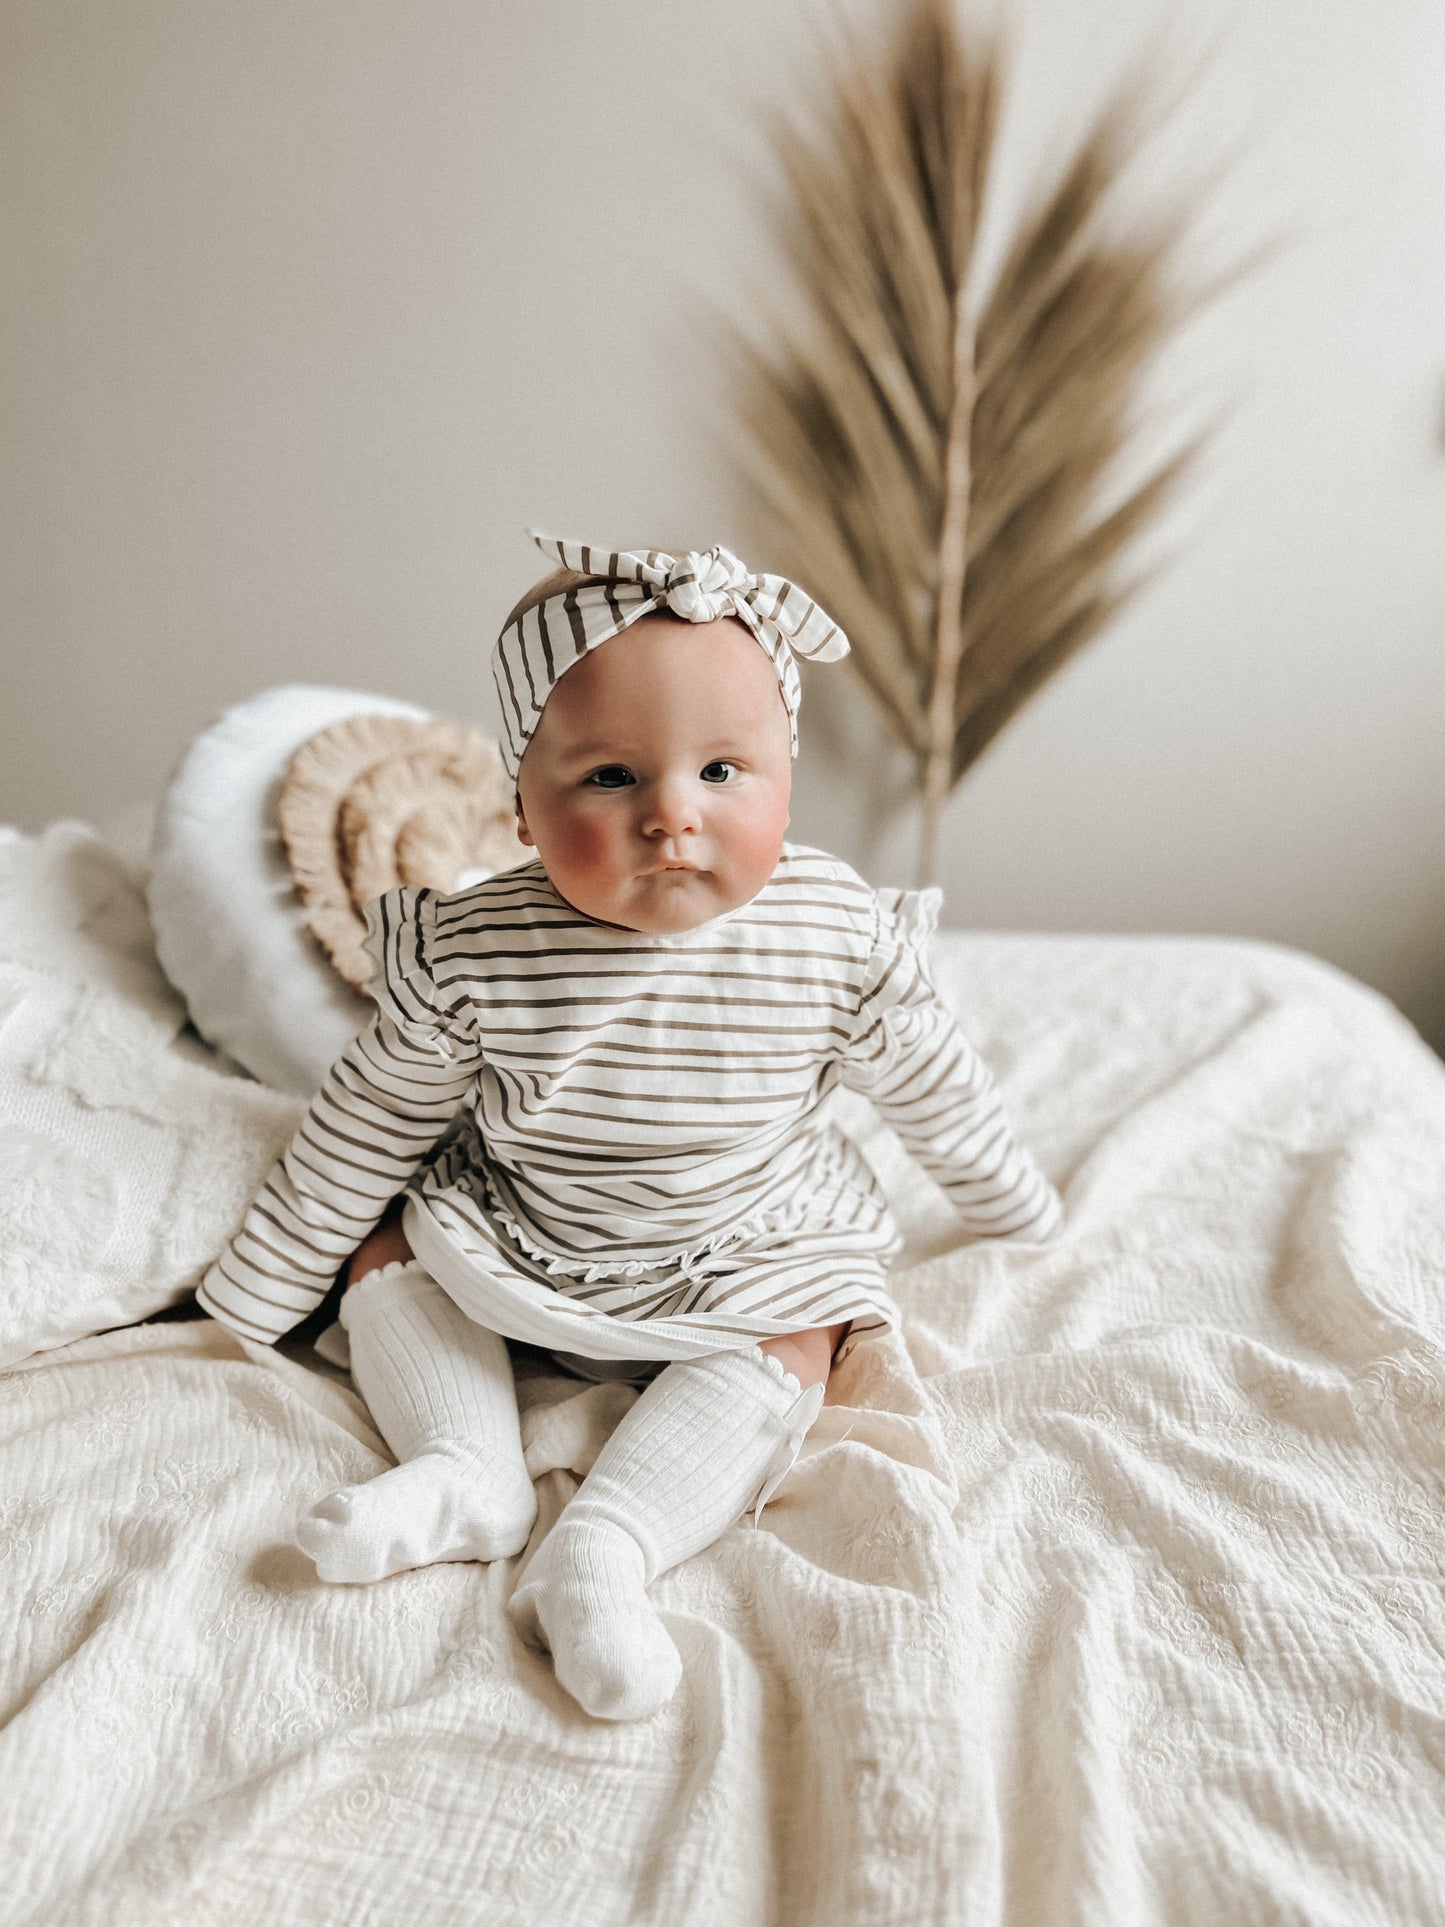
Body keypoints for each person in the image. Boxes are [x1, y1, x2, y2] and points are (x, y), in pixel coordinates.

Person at [198, 535, 1063, 1721]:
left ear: (786, 781)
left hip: (742, 1236)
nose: (670, 816)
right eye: (609, 777)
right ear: (521, 799)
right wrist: (256, 1292)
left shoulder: (832, 938)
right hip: (528, 1220)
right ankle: (462, 1466)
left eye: (722, 771)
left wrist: (1012, 1204)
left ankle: (605, 1543)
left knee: (801, 1328)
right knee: (390, 1246)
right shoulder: (478, 949)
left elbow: (934, 1082)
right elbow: (371, 1116)